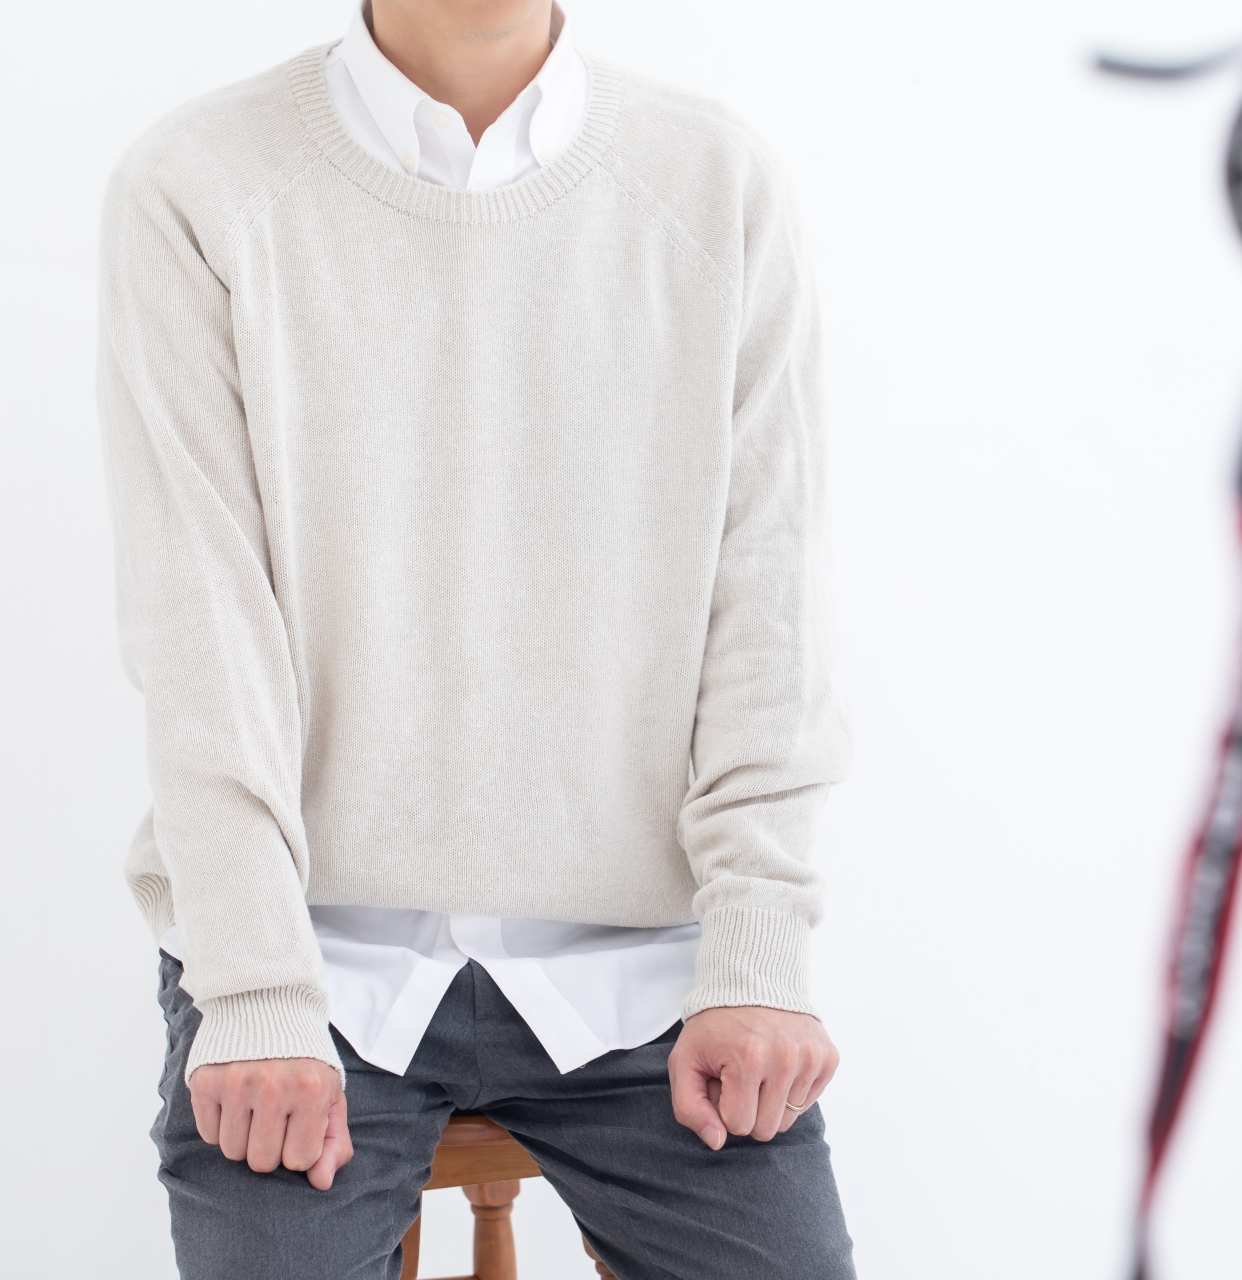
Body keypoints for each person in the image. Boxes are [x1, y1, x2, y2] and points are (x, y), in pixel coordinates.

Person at [96, 1, 854, 1275]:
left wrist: (760, 951)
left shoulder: (714, 183)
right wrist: (257, 989)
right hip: (310, 965)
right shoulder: (199, 185)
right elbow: (200, 636)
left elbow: (768, 610)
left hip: (643, 977)